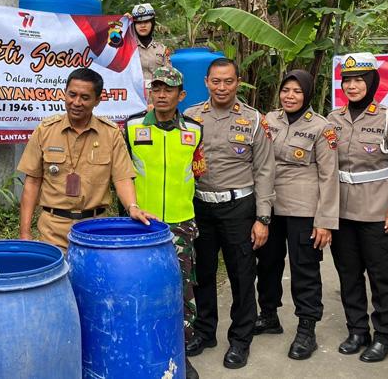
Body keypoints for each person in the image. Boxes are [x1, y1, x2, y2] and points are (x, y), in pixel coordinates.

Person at [183, 58, 275, 369]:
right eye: (216, 81)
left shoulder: (253, 120)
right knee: (203, 273)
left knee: (241, 274)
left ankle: (240, 339)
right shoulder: (190, 117)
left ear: (237, 82)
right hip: (200, 206)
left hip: (239, 207)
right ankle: (205, 331)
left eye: (228, 81)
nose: (222, 87)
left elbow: (265, 170)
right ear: (206, 82)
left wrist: (262, 218)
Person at [327, 52, 388, 362]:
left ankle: (384, 334)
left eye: (359, 80)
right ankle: (357, 330)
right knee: (348, 274)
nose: (352, 86)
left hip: (378, 212)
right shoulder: (333, 119)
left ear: (372, 82)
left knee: (382, 276)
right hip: (342, 212)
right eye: (347, 80)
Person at [123, 66, 205, 379]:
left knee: (182, 290)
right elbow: (122, 175)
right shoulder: (131, 127)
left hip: (181, 223)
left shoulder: (195, 130)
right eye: (156, 89)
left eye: (168, 90)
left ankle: (180, 353)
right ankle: (142, 350)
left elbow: (198, 171)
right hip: (141, 226)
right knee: (140, 288)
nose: (161, 95)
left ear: (181, 95)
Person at [17, 67, 155, 249]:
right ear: (64, 93)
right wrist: (25, 233)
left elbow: (122, 178)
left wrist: (132, 207)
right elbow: (32, 183)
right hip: (52, 231)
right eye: (72, 95)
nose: (76, 102)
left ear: (97, 100)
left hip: (95, 230)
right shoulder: (45, 130)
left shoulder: (110, 134)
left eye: (85, 97)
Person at [254, 70, 339, 360]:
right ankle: (269, 315)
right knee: (267, 263)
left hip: (304, 209)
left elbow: (329, 176)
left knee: (304, 269)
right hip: (269, 205)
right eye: (286, 90)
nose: (290, 96)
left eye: (297, 91)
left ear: (308, 94)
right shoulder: (269, 119)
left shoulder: (322, 127)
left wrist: (325, 221)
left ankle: (307, 328)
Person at [129, 3, 171, 106]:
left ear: (152, 23)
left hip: (158, 100)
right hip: (134, 101)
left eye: (146, 21)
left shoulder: (162, 49)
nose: (142, 25)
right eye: (138, 22)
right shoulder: (127, 48)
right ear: (133, 25)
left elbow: (169, 77)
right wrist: (122, 22)